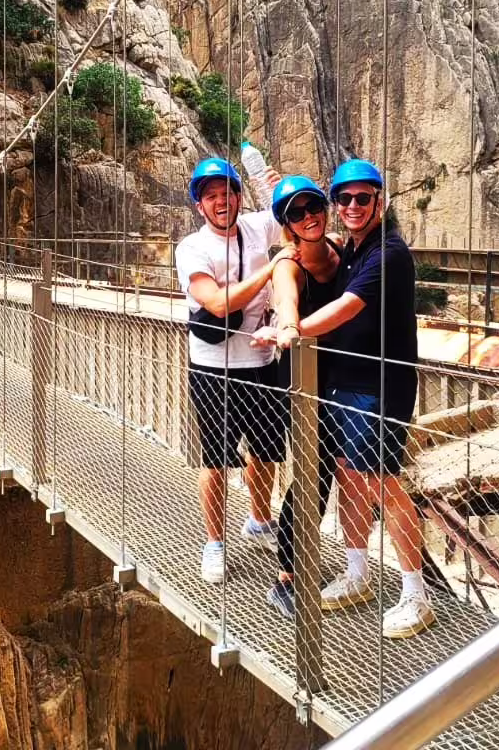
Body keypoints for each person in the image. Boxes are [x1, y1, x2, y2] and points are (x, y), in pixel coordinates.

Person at [284, 159, 434, 639]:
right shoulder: (350, 251)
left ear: (379, 202)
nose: (351, 206)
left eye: (361, 198)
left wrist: (289, 330)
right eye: (343, 199)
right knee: (350, 477)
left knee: (381, 485)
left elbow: (346, 308)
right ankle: (357, 573)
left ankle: (416, 593)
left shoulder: (388, 254)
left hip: (380, 388)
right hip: (345, 384)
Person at [175, 156, 288, 584]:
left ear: (238, 196)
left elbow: (296, 209)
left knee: (265, 452)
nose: (222, 201)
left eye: (228, 193)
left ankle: (259, 521)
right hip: (213, 369)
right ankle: (215, 544)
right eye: (212, 196)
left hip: (260, 362)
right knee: (217, 460)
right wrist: (271, 272)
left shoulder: (258, 227)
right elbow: (217, 303)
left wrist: (266, 178)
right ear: (200, 206)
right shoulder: (192, 248)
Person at [249, 176, 343, 619]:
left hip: (338, 375)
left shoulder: (339, 247)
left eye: (313, 208)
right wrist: (288, 327)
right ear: (286, 225)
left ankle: (311, 561)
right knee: (310, 471)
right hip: (300, 375)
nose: (308, 218)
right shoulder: (290, 264)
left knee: (327, 470)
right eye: (296, 214)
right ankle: (287, 575)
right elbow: (286, 300)